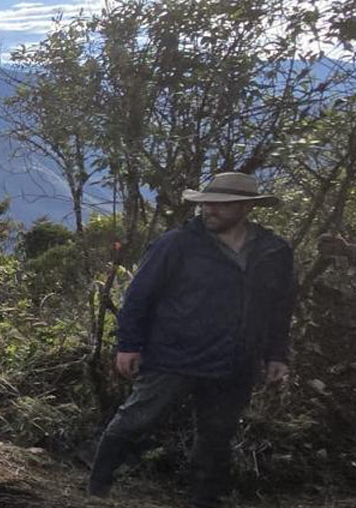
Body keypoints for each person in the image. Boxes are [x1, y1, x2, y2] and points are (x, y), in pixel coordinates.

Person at [86, 172, 296, 508]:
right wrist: (129, 345)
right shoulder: (178, 243)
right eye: (207, 202)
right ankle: (96, 490)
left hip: (236, 362)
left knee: (217, 436)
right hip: (175, 354)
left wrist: (276, 355)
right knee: (137, 418)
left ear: (245, 208)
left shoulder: (274, 252)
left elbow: (280, 309)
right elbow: (139, 296)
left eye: (220, 205)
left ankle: (204, 501)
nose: (210, 209)